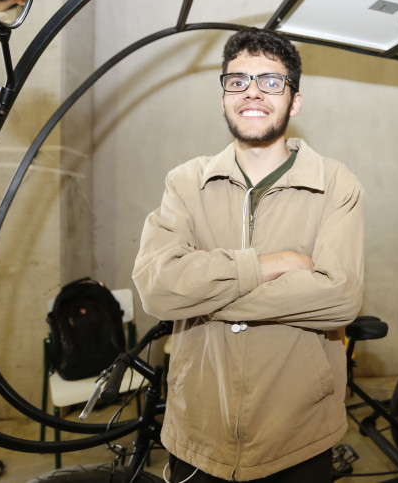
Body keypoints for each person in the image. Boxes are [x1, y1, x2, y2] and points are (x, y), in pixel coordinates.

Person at [133, 27, 365, 482]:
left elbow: (340, 298)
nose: (252, 92)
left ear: (294, 101)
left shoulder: (337, 184)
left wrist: (199, 292)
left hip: (297, 434)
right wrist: (269, 265)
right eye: (237, 81)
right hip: (199, 430)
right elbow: (157, 291)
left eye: (271, 81)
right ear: (223, 97)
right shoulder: (185, 182)